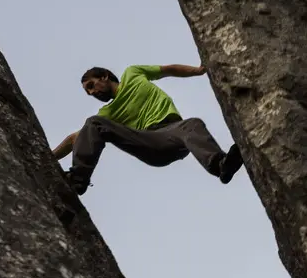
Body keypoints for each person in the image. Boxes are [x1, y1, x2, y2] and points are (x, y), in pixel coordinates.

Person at [51, 63, 243, 194]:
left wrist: (199, 70)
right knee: (93, 123)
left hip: (174, 132)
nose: (92, 92)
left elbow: (168, 69)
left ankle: (221, 165)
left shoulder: (133, 73)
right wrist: (48, 156)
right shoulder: (107, 112)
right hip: (148, 141)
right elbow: (76, 138)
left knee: (192, 124)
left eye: (92, 85)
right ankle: (78, 179)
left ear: (104, 76)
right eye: (88, 91)